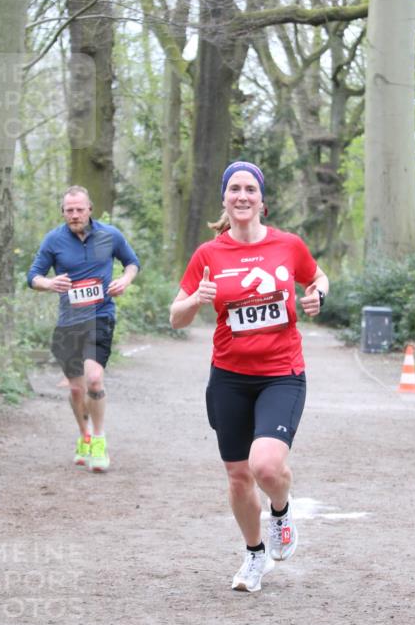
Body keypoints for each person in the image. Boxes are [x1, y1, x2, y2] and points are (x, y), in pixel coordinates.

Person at [170, 162, 329, 592]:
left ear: (262, 199)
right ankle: (254, 555)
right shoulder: (209, 254)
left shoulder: (288, 245)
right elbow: (176, 317)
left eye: (250, 190)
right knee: (239, 475)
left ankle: (280, 511)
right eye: (234, 189)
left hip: (282, 373)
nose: (242, 196)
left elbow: (317, 278)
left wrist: (318, 296)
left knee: (266, 465)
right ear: (225, 199)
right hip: (229, 377)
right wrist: (195, 301)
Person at [27, 186, 140, 472]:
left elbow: (132, 263)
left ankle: (99, 440)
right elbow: (33, 276)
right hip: (68, 323)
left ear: (90, 208)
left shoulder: (110, 235)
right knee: (77, 390)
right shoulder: (53, 240)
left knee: (94, 380)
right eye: (69, 210)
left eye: (79, 209)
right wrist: (49, 284)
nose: (75, 214)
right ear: (62, 212)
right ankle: (84, 435)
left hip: (100, 316)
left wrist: (125, 281)